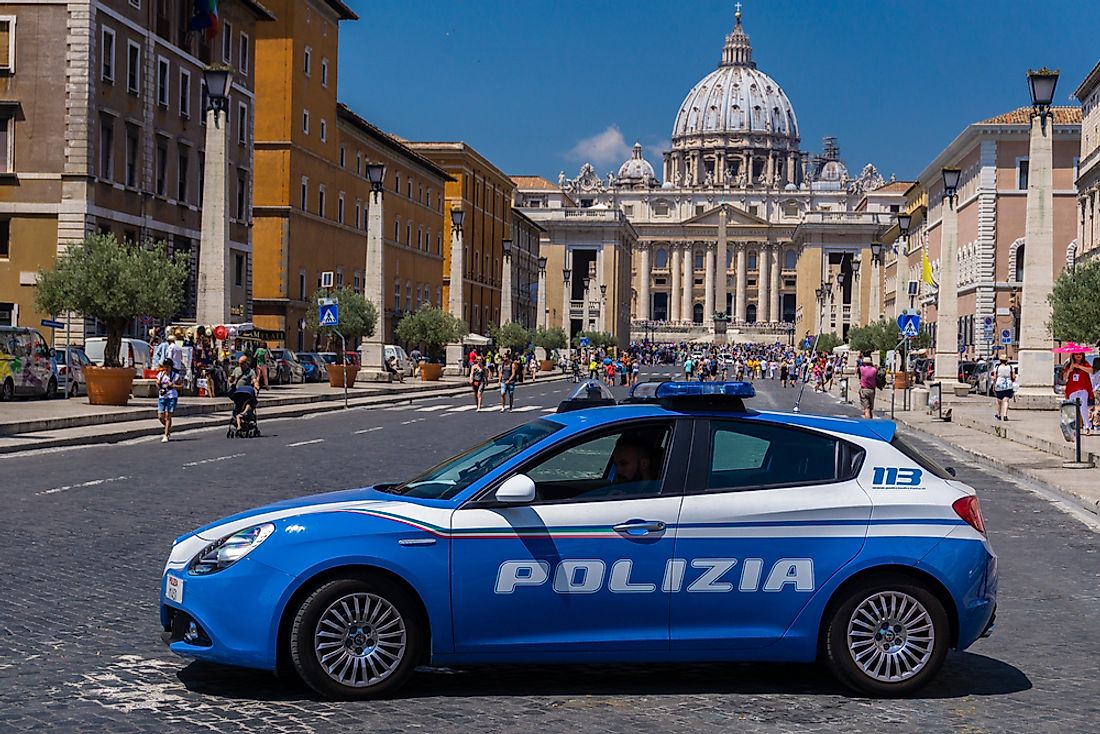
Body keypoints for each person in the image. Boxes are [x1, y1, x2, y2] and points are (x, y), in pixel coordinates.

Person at [1062, 352, 1093, 435]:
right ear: (1073, 356)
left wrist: (1079, 366)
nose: (1078, 356)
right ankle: (1073, 428)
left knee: (1083, 408)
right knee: (1072, 409)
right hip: (1072, 390)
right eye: (1076, 354)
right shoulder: (1069, 365)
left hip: (1083, 389)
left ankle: (1087, 427)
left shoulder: (1085, 363)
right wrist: (1070, 370)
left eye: (1080, 354)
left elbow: (1091, 370)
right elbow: (1064, 377)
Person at [229, 355, 260, 431]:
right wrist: (231, 381)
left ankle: (245, 416)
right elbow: (231, 378)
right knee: (237, 406)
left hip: (247, 393)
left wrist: (256, 385)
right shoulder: (236, 370)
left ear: (246, 363)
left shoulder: (251, 372)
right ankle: (237, 419)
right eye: (239, 363)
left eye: (242, 363)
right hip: (238, 393)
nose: (240, 365)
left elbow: (254, 380)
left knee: (249, 403)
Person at [156, 358, 181, 442]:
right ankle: (168, 427)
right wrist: (158, 384)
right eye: (165, 367)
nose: (166, 368)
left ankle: (166, 434)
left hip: (171, 397)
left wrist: (173, 385)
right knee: (160, 416)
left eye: (168, 367)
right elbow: (157, 384)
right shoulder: (160, 375)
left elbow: (181, 386)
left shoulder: (175, 376)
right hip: (162, 397)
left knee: (168, 416)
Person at [992, 354, 1016, 422]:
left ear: (1000, 360)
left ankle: (999, 414)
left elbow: (994, 378)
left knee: (999, 400)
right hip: (1008, 385)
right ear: (1006, 360)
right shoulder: (1011, 367)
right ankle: (1005, 415)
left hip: (999, 385)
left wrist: (994, 386)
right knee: (1006, 400)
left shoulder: (997, 368)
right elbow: (1013, 377)